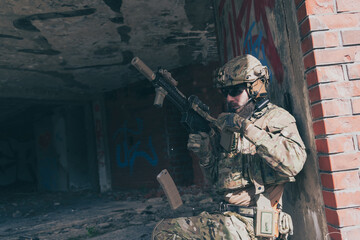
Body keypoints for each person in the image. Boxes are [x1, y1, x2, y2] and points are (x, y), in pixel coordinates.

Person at [152, 54, 307, 240]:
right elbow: (216, 183)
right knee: (165, 230)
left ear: (255, 88)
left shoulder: (276, 118)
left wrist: (246, 128)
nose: (229, 98)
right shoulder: (228, 127)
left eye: (235, 91)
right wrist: (205, 155)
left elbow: (294, 163)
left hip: (255, 225)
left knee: (168, 232)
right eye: (224, 92)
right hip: (229, 219)